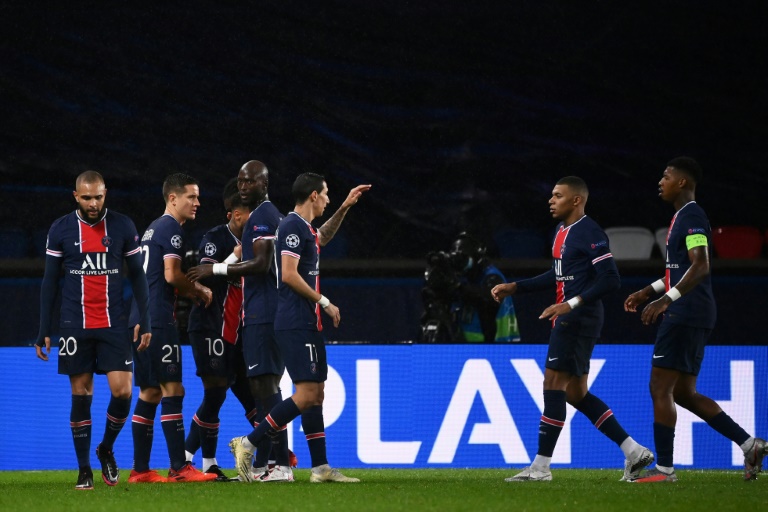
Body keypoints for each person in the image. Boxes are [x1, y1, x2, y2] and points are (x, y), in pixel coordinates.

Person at [491, 176, 653, 482]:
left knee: (553, 384)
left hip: (578, 319)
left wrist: (571, 304)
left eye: (558, 195)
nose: (551, 200)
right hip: (571, 318)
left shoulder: (590, 232)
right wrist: (516, 287)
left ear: (576, 200)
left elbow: (610, 279)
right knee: (577, 393)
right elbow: (558, 275)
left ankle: (540, 468)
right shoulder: (560, 231)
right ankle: (634, 451)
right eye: (552, 195)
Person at [623, 157, 768, 482]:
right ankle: (750, 445)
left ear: (682, 182)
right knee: (684, 393)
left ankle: (665, 470)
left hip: (685, 312)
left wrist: (666, 300)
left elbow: (700, 265)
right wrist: (648, 291)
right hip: (692, 311)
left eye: (666, 176)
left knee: (660, 387)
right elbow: (678, 271)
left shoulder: (692, 216)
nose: (660, 181)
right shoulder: (682, 217)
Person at [229, 173, 371, 483]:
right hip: (294, 321)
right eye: (327, 194)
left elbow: (322, 237)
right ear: (313, 196)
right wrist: (324, 301)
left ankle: (320, 468)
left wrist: (345, 206)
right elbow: (290, 274)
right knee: (305, 395)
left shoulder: (303, 228)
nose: (328, 199)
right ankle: (249, 442)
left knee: (316, 394)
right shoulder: (291, 226)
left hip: (308, 320)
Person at [35, 170, 152, 490]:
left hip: (114, 323)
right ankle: (84, 469)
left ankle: (106, 448)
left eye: (98, 197)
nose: (93, 203)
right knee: (81, 394)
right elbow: (50, 281)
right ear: (75, 196)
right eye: (86, 198)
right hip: (75, 324)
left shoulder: (123, 225)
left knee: (123, 391)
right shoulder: (60, 229)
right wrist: (44, 328)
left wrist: (144, 318)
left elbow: (138, 276)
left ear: (105, 194)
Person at [188, 160, 296, 482]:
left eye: (250, 181)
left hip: (258, 318)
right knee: (251, 391)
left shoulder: (262, 217)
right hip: (231, 326)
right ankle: (262, 464)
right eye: (240, 182)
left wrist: (218, 268)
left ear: (265, 183)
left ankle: (276, 462)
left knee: (263, 391)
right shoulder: (266, 220)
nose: (244, 186)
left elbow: (261, 264)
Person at [128, 173, 217, 483]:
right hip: (158, 319)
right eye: (191, 196)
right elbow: (171, 275)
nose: (197, 202)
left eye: (198, 196)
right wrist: (198, 290)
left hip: (139, 316)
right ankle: (180, 468)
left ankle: (140, 470)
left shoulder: (152, 228)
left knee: (150, 391)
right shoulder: (172, 230)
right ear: (173, 198)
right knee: (173, 389)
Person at [182, 180, 252, 482]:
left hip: (234, 331)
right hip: (208, 326)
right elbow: (203, 279)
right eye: (250, 215)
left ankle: (201, 462)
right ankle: (191, 460)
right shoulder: (215, 238)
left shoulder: (257, 244)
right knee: (215, 392)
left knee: (225, 394)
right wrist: (234, 256)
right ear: (235, 214)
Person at [451, 232, 520, 342]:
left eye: (463, 256)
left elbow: (487, 300)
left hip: (498, 346)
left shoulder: (493, 278)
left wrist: (457, 286)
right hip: (468, 346)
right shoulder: (465, 278)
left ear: (477, 254)